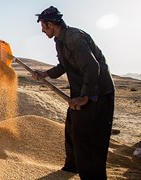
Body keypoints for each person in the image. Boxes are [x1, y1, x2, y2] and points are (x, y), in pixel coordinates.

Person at [33, 6, 115, 179]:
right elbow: (65, 65)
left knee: (87, 139)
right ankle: (72, 167)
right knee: (72, 129)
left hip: (97, 94)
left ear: (50, 24)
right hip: (83, 93)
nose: (41, 30)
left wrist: (85, 97)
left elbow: (93, 67)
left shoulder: (74, 38)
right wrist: (45, 74)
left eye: (42, 25)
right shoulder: (60, 41)